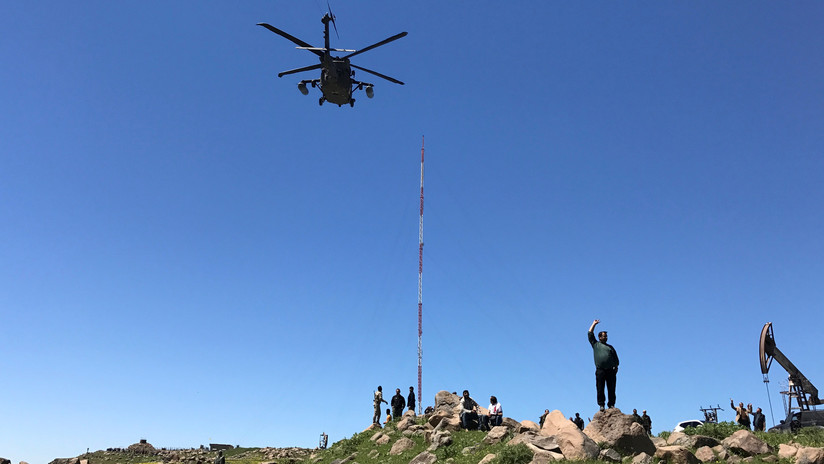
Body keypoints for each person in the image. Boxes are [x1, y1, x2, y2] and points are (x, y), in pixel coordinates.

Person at [588, 319, 619, 411]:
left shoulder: (610, 347)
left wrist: (616, 367)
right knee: (600, 388)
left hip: (610, 370)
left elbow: (616, 359)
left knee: (611, 388)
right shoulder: (595, 344)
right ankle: (601, 405)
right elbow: (589, 333)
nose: (606, 338)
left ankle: (611, 404)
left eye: (606, 336)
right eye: (604, 336)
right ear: (599, 337)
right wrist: (594, 324)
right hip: (600, 370)